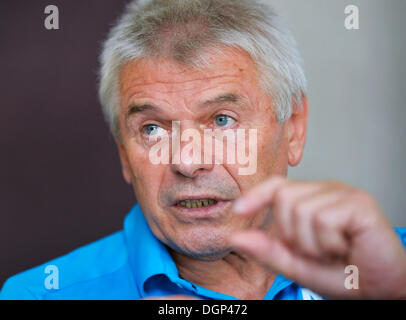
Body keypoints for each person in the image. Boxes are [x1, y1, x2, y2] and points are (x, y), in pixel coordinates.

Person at [1, 0, 405, 300]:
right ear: (124, 152)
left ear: (294, 129)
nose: (188, 162)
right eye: (153, 128)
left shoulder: (393, 269)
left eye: (222, 120)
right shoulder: (40, 295)